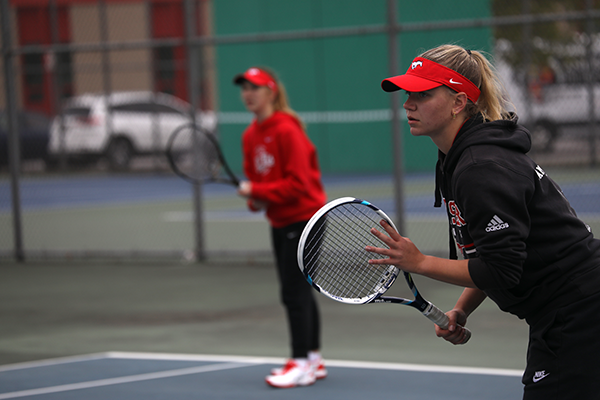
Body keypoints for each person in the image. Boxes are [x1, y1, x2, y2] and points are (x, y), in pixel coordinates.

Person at [368, 44, 600, 399]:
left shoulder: (480, 166)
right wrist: (462, 308)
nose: (407, 104)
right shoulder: (460, 159)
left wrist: (420, 263)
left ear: (458, 102)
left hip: (579, 309)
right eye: (407, 94)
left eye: (422, 94)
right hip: (570, 306)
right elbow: (493, 255)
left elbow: (502, 269)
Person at [233, 66, 328, 388]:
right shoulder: (250, 135)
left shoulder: (287, 130)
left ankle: (300, 361)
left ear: (270, 92)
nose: (248, 93)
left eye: (255, 88)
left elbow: (299, 184)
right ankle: (313, 359)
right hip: (281, 219)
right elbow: (258, 186)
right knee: (298, 290)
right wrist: (254, 198)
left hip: (306, 218)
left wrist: (256, 192)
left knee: (293, 291)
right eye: (244, 88)